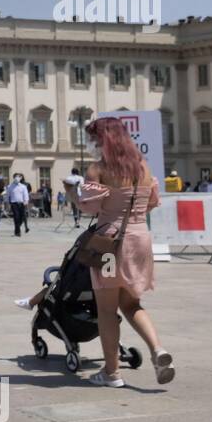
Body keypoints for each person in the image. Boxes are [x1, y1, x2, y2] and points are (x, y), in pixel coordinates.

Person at [77, 116, 173, 388]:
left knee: (107, 309)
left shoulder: (99, 170)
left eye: (94, 138)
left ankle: (111, 372)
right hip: (140, 240)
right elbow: (153, 201)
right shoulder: (142, 167)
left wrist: (74, 192)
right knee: (131, 303)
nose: (92, 143)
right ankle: (158, 350)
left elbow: (87, 206)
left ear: (103, 139)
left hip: (110, 244)